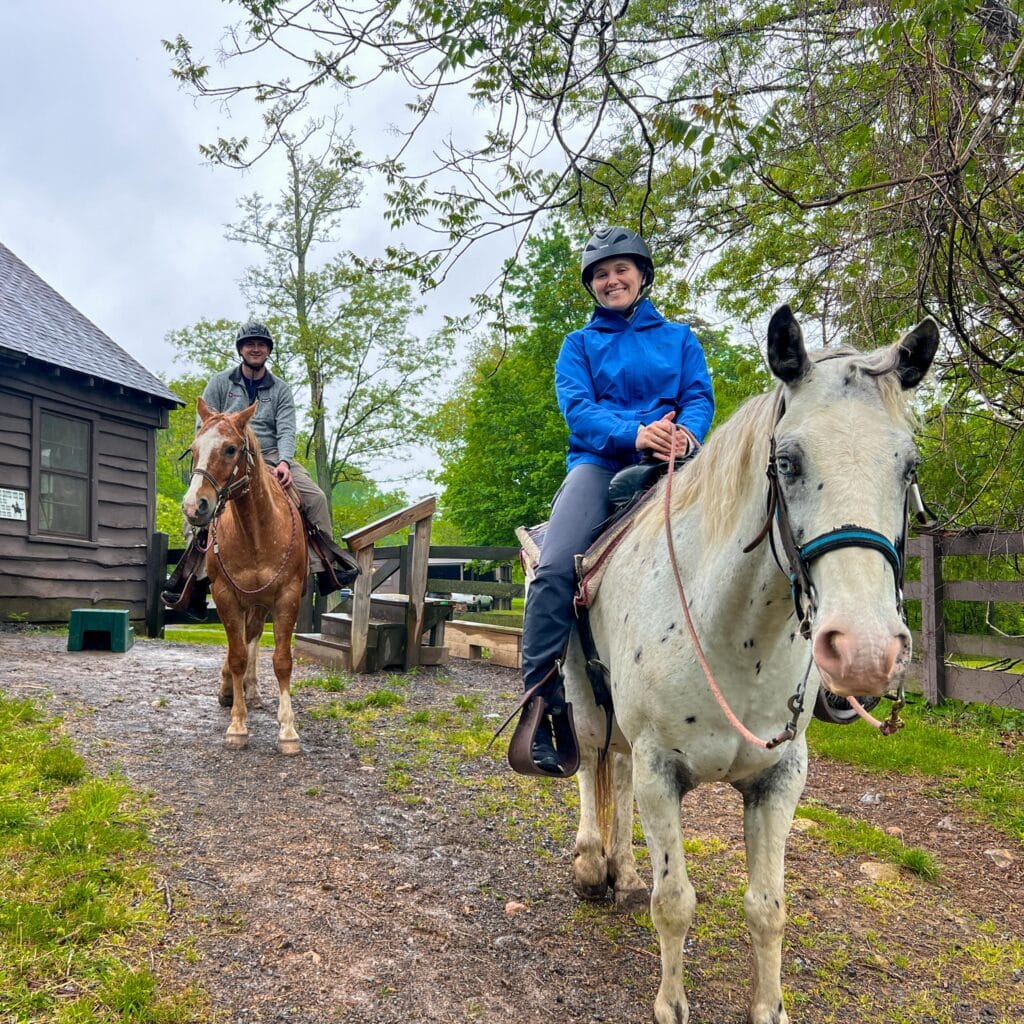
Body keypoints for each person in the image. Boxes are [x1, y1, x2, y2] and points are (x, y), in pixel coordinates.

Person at [517, 226, 715, 776]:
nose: (611, 280)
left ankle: (815, 675)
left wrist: (686, 436)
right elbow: (578, 410)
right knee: (555, 567)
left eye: (620, 270)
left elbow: (699, 396)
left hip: (674, 462)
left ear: (642, 275)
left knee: (750, 528)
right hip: (599, 464)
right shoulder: (578, 346)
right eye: (600, 275)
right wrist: (636, 433)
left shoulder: (679, 338)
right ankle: (542, 700)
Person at [161, 320, 350, 616]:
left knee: (316, 498)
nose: (255, 348)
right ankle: (195, 581)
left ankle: (324, 568)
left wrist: (285, 461)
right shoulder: (220, 383)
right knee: (194, 510)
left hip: (272, 455)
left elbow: (287, 429)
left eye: (261, 344)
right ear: (240, 349)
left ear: (268, 351)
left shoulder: (280, 390)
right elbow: (205, 426)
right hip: (227, 456)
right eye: (250, 344)